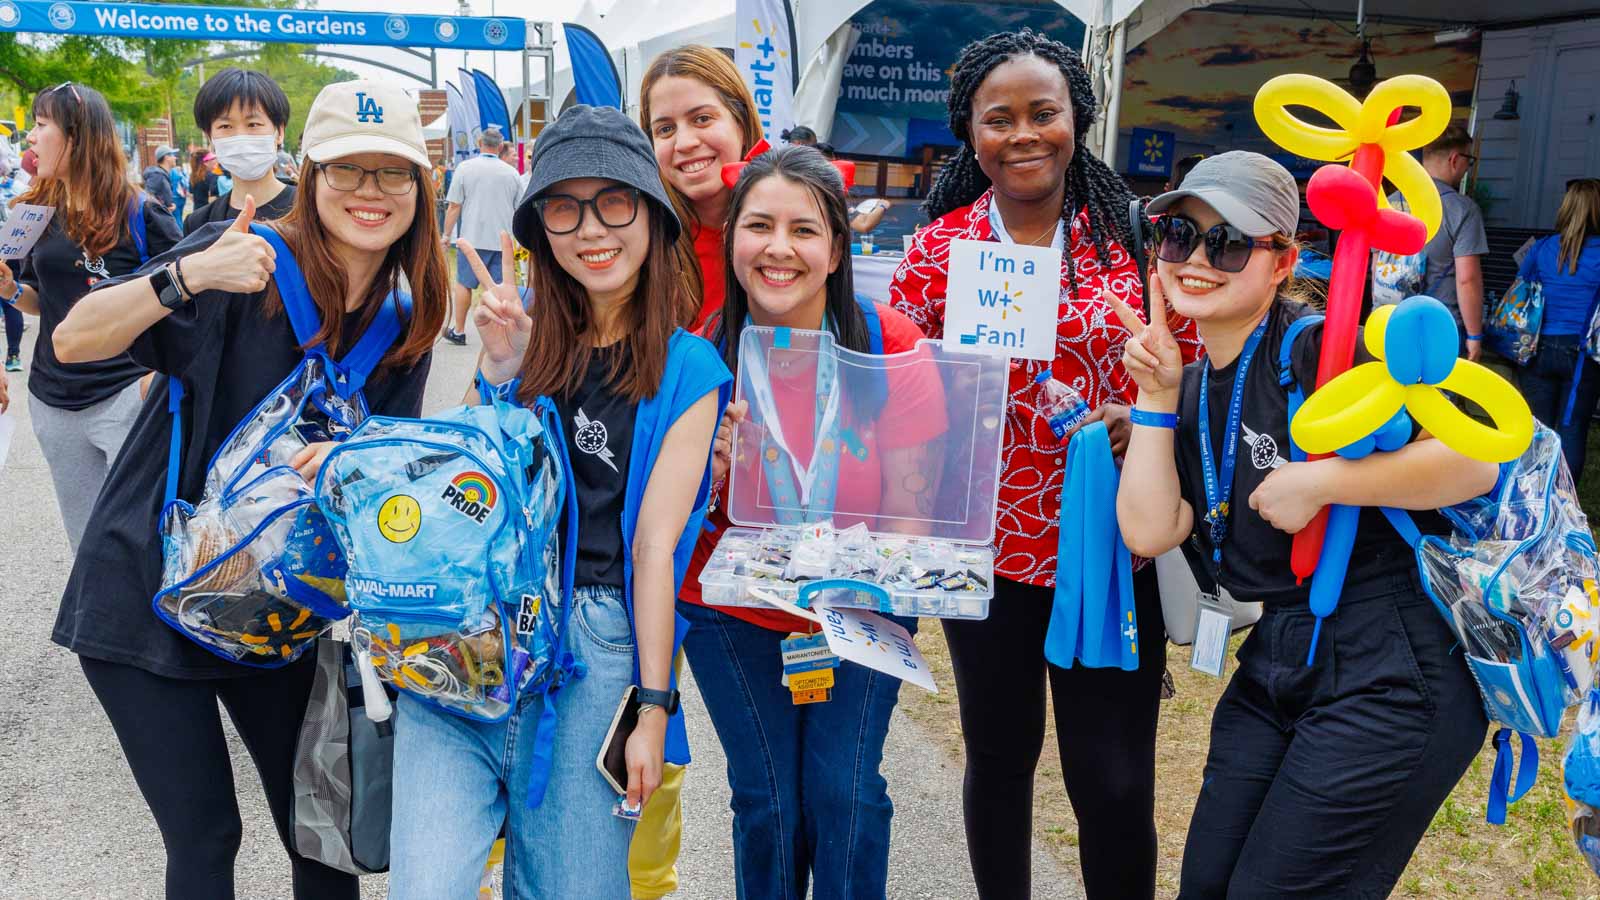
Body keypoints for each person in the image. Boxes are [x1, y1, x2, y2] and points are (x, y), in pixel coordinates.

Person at [47, 79, 445, 900]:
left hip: (280, 607)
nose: (370, 192)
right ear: (313, 174)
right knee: (205, 840)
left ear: (420, 187)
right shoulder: (242, 257)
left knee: (323, 838)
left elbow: (383, 471)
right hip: (149, 590)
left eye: (392, 172)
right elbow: (72, 340)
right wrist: (188, 275)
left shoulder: (404, 313)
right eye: (348, 170)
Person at [1112, 151, 1492, 898]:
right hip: (1276, 656)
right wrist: (1154, 397)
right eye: (1179, 236)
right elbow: (1151, 531)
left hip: (1391, 663)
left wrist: (1325, 480)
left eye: (1228, 243)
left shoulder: (1326, 347)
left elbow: (1474, 459)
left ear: (1282, 262)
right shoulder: (1186, 386)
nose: (1198, 260)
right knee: (1205, 886)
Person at [890, 29, 1201, 900]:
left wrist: (1146, 416)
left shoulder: (1138, 242)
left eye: (1043, 113)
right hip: (984, 554)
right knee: (998, 759)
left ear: (1077, 119)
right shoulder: (936, 254)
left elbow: (1197, 363)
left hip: (1110, 547)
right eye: (1000, 119)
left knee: (1114, 782)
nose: (1023, 134)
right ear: (971, 131)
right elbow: (897, 393)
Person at [391, 103, 728, 899]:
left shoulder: (690, 370)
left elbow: (653, 549)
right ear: (540, 231)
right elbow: (460, 493)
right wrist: (497, 371)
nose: (591, 229)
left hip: (594, 647)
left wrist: (652, 708)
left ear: (652, 216)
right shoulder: (523, 335)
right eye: (563, 209)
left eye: (613, 202)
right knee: (426, 886)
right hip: (471, 633)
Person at [678, 144, 944, 899]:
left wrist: (858, 586)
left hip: (858, 606)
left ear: (836, 248)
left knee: (844, 792)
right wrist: (709, 472)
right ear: (732, 239)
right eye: (759, 226)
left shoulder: (889, 345)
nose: (779, 248)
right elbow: (673, 513)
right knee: (766, 801)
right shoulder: (700, 355)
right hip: (730, 610)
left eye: (803, 229)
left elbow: (911, 511)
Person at [0, 83, 181, 552]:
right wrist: (11, 290)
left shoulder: (141, 213)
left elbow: (186, 300)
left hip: (127, 395)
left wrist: (152, 382)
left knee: (141, 542)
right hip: (53, 400)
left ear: (77, 135)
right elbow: (44, 301)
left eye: (41, 125)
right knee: (85, 544)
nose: (30, 138)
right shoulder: (35, 212)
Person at [642, 44, 766, 328]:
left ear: (742, 123)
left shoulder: (794, 223)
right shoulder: (642, 239)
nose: (685, 143)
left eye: (702, 119)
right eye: (665, 129)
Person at [1514, 177, 1600, 478]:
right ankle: (1562, 498)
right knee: (1572, 429)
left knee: (1538, 428)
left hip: (1537, 348)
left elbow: (1521, 288)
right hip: (1582, 354)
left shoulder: (1542, 248)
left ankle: (1531, 491)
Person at [1380, 123, 1488, 359]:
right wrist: (1474, 336)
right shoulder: (1462, 209)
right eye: (1469, 161)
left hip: (1390, 321)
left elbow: (1376, 265)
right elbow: (1467, 279)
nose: (1466, 169)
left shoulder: (1388, 203)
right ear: (1455, 159)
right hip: (1440, 325)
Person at [185, 69, 296, 232]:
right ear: (210, 137)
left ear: (279, 132)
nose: (240, 137)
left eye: (253, 124)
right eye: (225, 126)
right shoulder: (198, 224)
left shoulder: (314, 207)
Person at [441, 127, 522, 346]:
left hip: (471, 238)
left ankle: (459, 330)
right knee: (497, 289)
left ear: (479, 143)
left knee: (464, 284)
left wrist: (446, 234)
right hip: (501, 240)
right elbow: (519, 209)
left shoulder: (465, 168)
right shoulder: (512, 173)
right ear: (501, 146)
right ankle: (503, 333)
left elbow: (454, 206)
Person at [143, 145, 178, 215]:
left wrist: (170, 205)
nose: (175, 158)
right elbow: (148, 198)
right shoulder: (157, 175)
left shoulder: (162, 175)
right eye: (173, 155)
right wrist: (161, 209)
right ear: (166, 157)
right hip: (159, 218)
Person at [168, 152, 190, 224]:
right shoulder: (181, 171)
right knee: (180, 216)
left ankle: (180, 230)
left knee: (176, 218)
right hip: (182, 197)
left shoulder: (171, 171)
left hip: (175, 197)